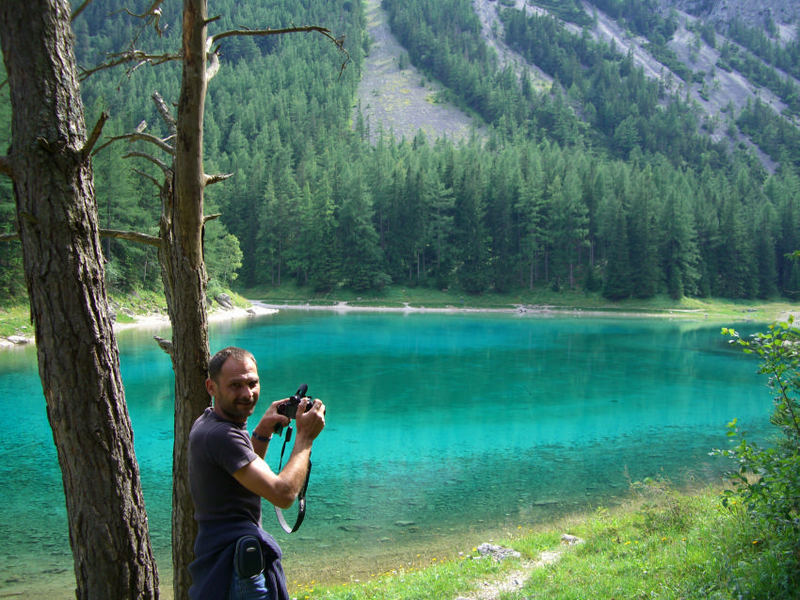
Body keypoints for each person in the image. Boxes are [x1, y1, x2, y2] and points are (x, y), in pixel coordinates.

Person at [187, 346, 326, 600]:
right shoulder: (221, 435)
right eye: (235, 385)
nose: (247, 393)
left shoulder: (210, 422)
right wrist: (305, 438)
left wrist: (262, 432)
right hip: (237, 574)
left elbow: (240, 477)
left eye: (252, 383)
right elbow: (283, 494)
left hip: (222, 564)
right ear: (211, 387)